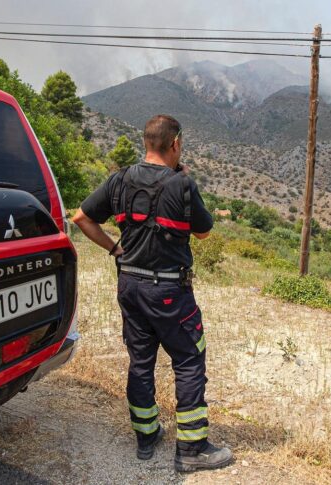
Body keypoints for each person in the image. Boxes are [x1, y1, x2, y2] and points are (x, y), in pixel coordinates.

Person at [72, 114, 233, 472]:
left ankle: (146, 436)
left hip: (130, 286)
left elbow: (81, 218)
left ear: (146, 143)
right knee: (189, 361)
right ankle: (192, 449)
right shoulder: (182, 185)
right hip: (170, 290)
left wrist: (115, 249)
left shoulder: (119, 180)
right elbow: (204, 234)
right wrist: (184, 182)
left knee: (140, 361)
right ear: (175, 144)